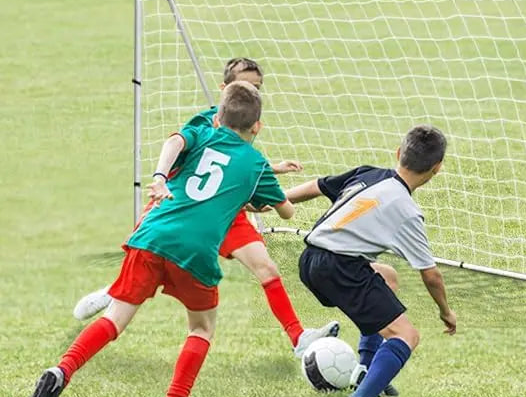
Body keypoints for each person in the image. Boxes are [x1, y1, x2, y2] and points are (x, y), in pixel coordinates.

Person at [25, 81, 298, 397]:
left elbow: (174, 142)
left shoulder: (203, 132)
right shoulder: (257, 164)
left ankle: (62, 370)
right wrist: (250, 198)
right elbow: (286, 212)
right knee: (201, 327)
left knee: (114, 319)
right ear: (257, 126)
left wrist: (159, 178)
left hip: (152, 234)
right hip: (195, 250)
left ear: (218, 116)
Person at [72, 57, 337, 358]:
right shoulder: (205, 121)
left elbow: (236, 171)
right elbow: (183, 149)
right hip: (186, 208)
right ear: (225, 89)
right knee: (156, 271)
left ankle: (298, 337)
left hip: (227, 213)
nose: (254, 91)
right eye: (246, 85)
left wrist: (274, 169)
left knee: (266, 267)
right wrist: (160, 179)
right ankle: (114, 291)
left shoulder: (244, 124)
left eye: (258, 87)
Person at [284, 125, 457, 397]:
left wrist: (273, 199)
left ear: (399, 153)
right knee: (406, 335)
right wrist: (445, 311)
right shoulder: (406, 211)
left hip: (310, 259)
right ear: (437, 168)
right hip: (339, 268)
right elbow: (431, 275)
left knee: (386, 276)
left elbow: (316, 185)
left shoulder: (369, 174)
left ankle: (365, 369)